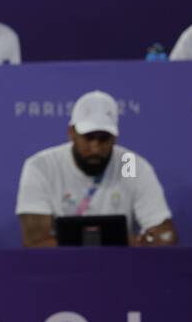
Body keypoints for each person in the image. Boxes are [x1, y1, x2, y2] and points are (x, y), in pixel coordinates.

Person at [16, 90, 176, 247]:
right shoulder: (43, 166)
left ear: (115, 137)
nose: (95, 148)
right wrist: (118, 243)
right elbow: (34, 243)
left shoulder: (129, 164)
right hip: (60, 267)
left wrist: (148, 241)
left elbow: (165, 234)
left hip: (121, 266)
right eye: (89, 137)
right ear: (71, 132)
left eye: (104, 138)